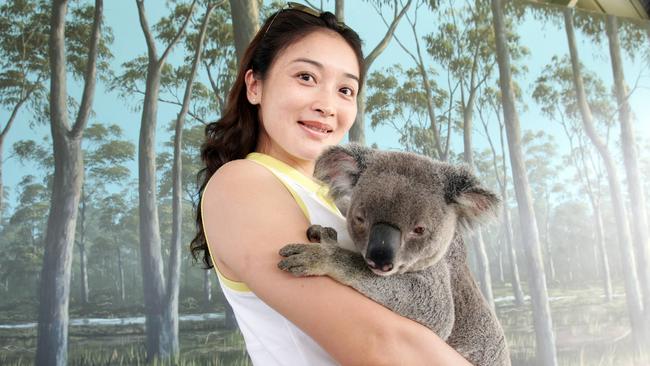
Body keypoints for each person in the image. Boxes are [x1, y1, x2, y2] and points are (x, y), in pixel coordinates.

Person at [191, 3, 471, 365]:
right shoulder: (243, 184)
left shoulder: (343, 201)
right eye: (306, 77)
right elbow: (378, 342)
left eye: (345, 90)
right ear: (255, 85)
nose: (327, 105)